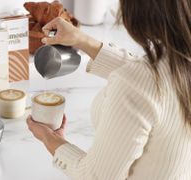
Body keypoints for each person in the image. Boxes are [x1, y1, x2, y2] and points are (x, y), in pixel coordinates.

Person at [27, 0, 191, 179]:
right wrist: (82, 40)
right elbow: (155, 76)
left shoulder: (136, 82)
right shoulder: (180, 60)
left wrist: (50, 139)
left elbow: (96, 176)